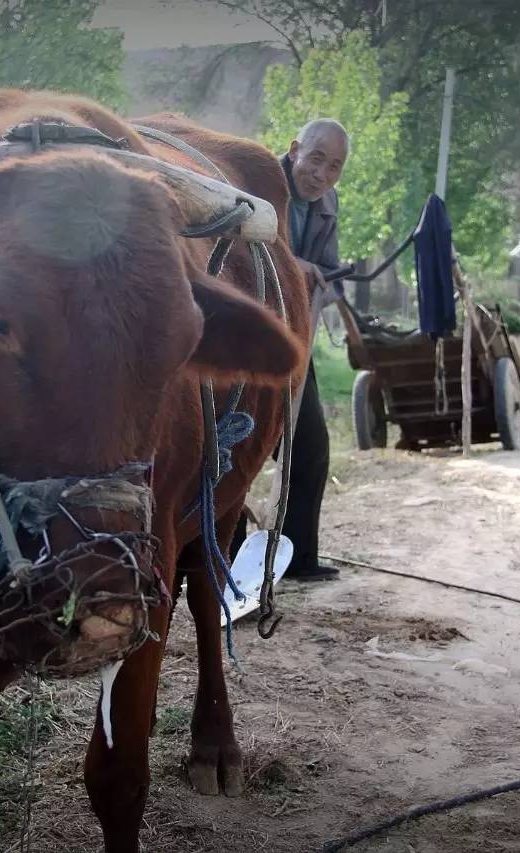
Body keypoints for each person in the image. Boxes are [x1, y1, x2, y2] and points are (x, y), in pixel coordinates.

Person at [233, 118, 350, 581]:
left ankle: (298, 559)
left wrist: (323, 281)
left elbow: (330, 272)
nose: (322, 173)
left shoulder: (327, 204)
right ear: (295, 149)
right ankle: (226, 557)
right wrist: (295, 265)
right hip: (243, 337)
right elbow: (240, 250)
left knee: (311, 447)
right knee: (238, 444)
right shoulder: (257, 180)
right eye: (317, 158)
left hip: (293, 338)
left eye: (335, 167)